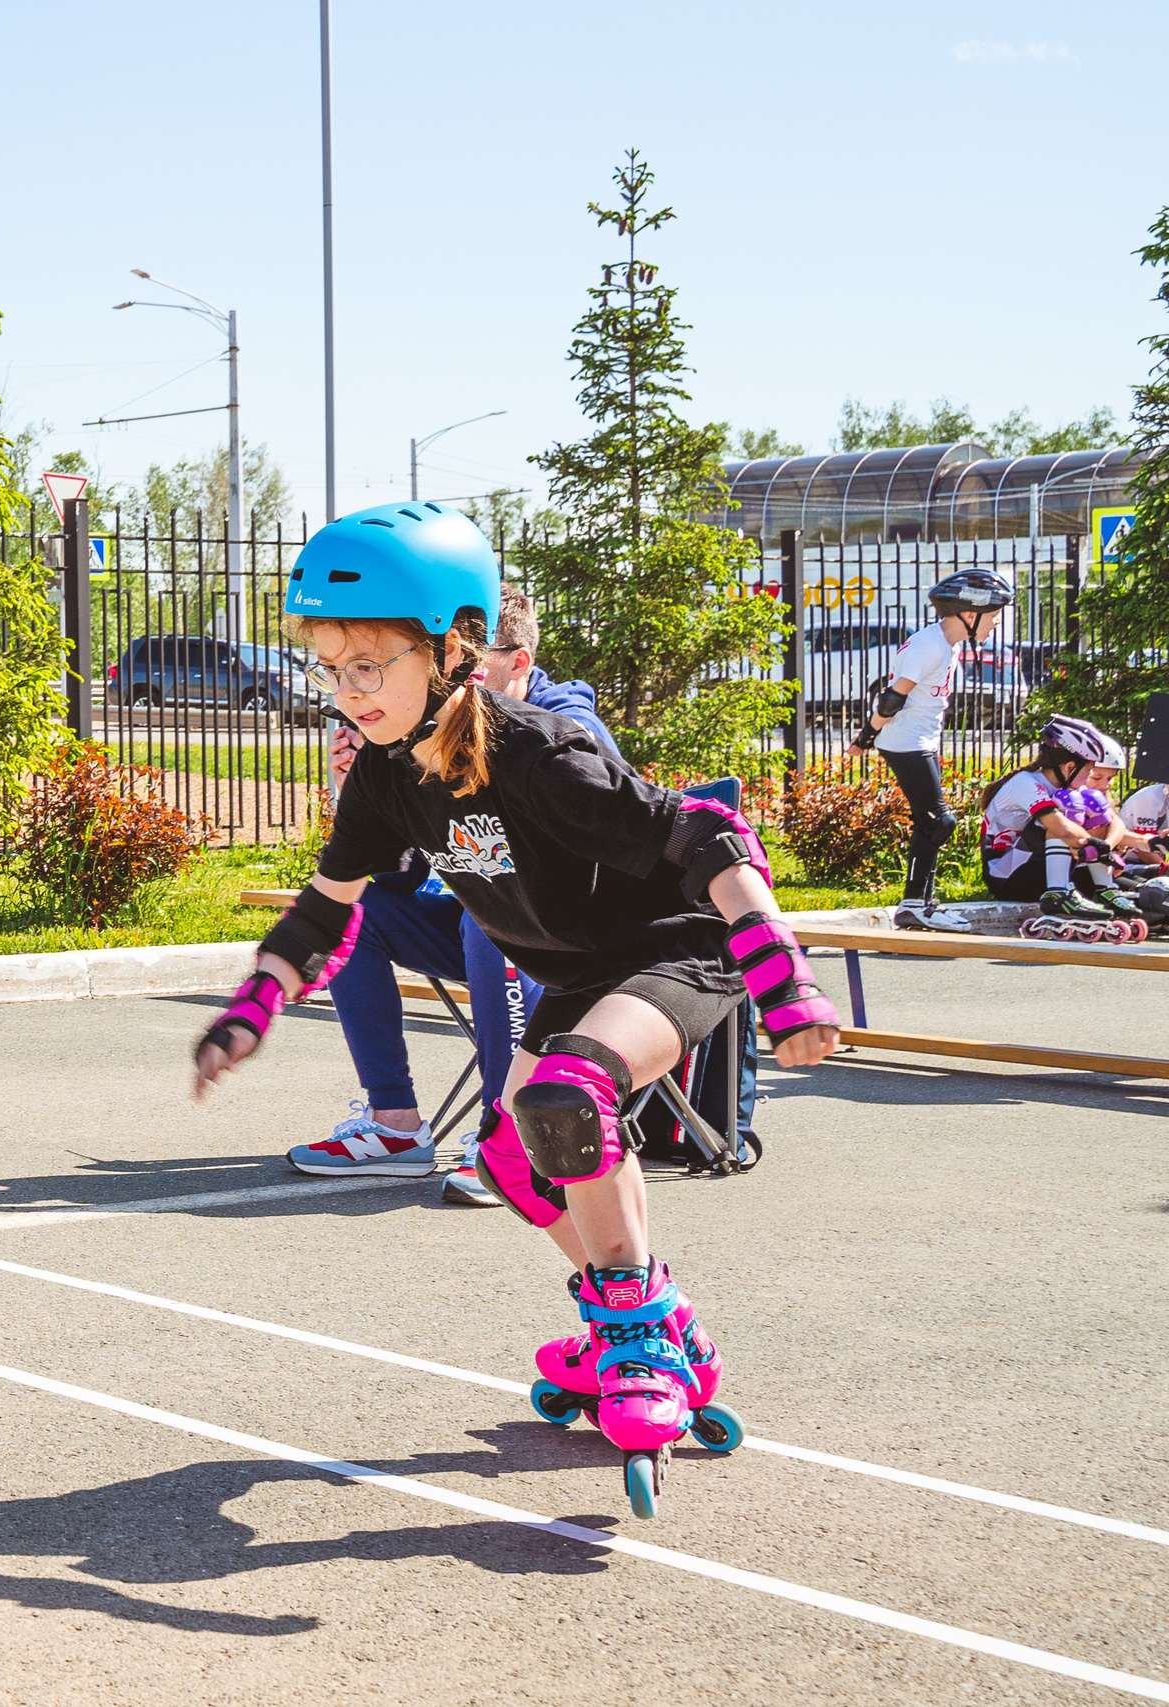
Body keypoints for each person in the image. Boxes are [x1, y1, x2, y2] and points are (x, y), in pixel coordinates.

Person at [192, 502, 840, 1515]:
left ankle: (634, 1338)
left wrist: (780, 970)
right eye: (329, 665)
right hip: (582, 975)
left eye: (370, 663)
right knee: (512, 1159)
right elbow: (328, 907)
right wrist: (254, 1004)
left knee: (569, 1096)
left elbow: (707, 834)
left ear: (451, 647)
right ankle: (647, 1319)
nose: (346, 689)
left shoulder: (536, 750)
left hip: (675, 947)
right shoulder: (380, 778)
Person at [287, 587, 619, 1209]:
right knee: (357, 914)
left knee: (488, 922)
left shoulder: (567, 728)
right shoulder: (423, 734)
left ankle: (510, 1136)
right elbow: (401, 878)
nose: (450, 678)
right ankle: (396, 1128)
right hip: (495, 929)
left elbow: (587, 867)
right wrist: (362, 793)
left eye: (469, 662)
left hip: (587, 943)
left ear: (516, 664)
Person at [852, 568, 1013, 933]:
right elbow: (893, 697)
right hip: (906, 742)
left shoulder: (946, 644)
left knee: (931, 822)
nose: (997, 623)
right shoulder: (928, 646)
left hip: (920, 741)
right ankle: (914, 904)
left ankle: (920, 903)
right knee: (940, 821)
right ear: (969, 615)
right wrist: (866, 737)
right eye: (994, 615)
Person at [980, 715, 1159, 939]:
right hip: (1007, 876)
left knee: (1092, 802)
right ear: (1070, 767)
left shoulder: (1067, 785)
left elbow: (1114, 823)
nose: (1088, 778)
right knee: (1068, 806)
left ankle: (1106, 889)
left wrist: (1142, 842)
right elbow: (1062, 829)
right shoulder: (1025, 783)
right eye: (1089, 771)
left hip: (1038, 865)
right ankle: (1058, 893)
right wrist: (1098, 852)